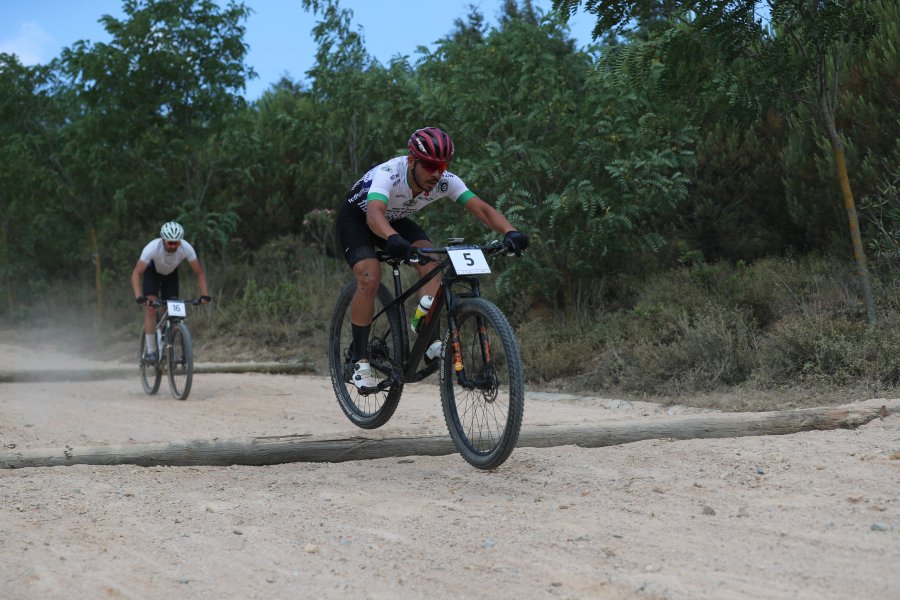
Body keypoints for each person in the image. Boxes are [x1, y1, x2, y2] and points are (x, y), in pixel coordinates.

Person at [336, 126, 529, 389]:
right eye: (429, 165)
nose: (436, 173)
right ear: (412, 161)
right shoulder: (389, 173)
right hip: (359, 218)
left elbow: (481, 209)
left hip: (394, 218)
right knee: (369, 277)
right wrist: (393, 240)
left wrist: (511, 231)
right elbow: (374, 215)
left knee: (429, 260)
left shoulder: (445, 180)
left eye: (442, 165)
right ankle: (359, 360)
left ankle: (427, 335)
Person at [130, 221, 211, 361]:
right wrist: (139, 296)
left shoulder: (186, 248)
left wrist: (204, 295)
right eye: (170, 243)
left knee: (171, 311)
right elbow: (136, 273)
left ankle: (166, 338)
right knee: (150, 309)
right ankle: (151, 351)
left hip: (170, 276)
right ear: (163, 241)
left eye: (177, 243)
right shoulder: (152, 248)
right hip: (152, 274)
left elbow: (199, 272)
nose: (174, 246)